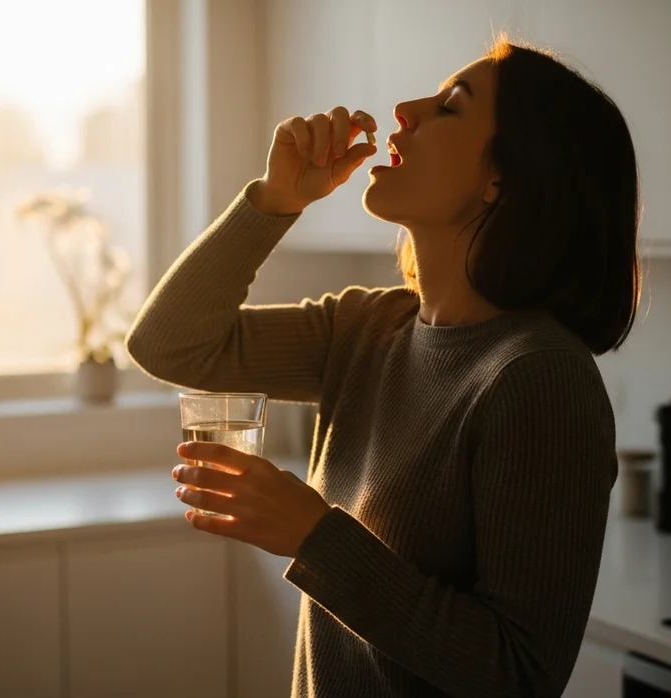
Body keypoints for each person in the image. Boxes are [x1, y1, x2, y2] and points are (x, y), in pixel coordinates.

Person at [126, 36, 641, 698]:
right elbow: (169, 345)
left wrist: (311, 535)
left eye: (450, 107)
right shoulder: (368, 327)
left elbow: (518, 674)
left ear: (502, 177)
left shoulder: (537, 379)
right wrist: (273, 201)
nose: (405, 110)